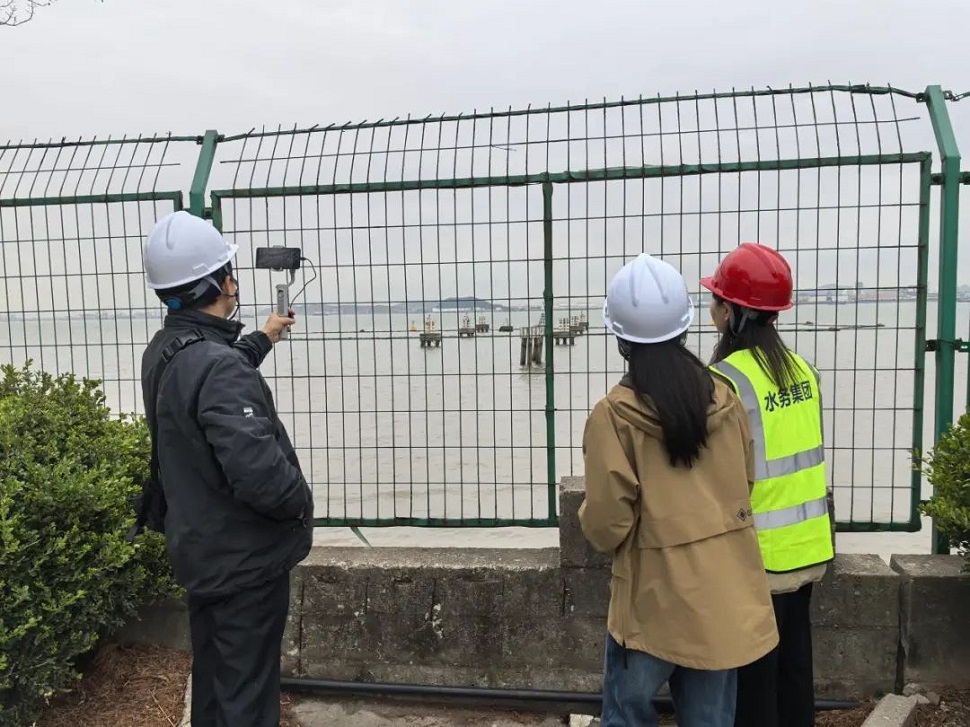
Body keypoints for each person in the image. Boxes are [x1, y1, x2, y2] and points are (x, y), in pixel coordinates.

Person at [579, 253, 779, 727]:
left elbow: (607, 525)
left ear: (620, 335)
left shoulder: (614, 416)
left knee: (627, 714)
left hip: (650, 604)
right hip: (722, 595)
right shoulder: (725, 398)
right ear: (685, 326)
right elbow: (744, 482)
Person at [140, 210, 314, 727]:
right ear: (221, 283)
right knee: (247, 698)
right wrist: (299, 505)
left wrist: (262, 337)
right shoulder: (218, 367)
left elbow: (207, 376)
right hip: (245, 565)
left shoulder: (164, 352)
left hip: (201, 552)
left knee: (216, 683)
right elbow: (261, 475)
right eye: (229, 271)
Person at [701, 242, 835, 727]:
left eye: (717, 300)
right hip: (810, 548)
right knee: (795, 668)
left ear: (733, 313)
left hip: (758, 556)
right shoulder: (804, 371)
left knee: (755, 681)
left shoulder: (724, 381)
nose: (712, 308)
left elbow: (713, 474)